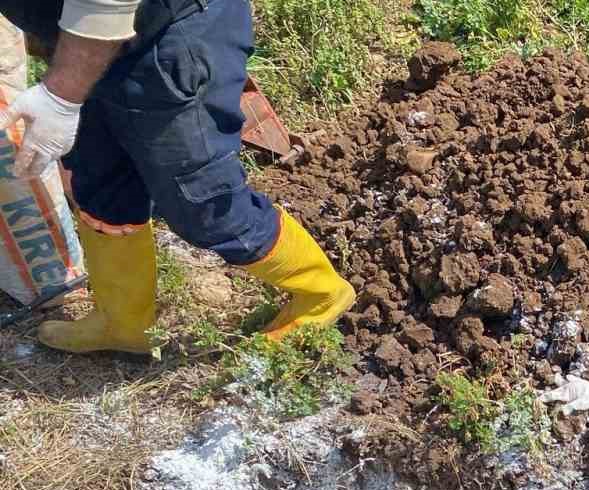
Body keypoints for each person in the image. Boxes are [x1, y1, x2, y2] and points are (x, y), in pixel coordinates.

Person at [0, 0, 353, 354]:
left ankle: (320, 294)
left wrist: (61, 95)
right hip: (86, 48)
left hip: (168, 37)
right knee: (100, 183)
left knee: (205, 203)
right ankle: (124, 325)